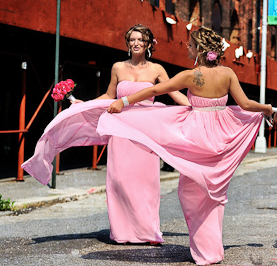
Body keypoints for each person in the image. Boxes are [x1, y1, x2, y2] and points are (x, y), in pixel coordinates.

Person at [98, 27, 273, 265]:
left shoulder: (190, 76)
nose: (187, 49)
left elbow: (155, 90)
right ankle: (212, 249)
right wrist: (268, 109)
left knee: (190, 193)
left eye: (190, 46)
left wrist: (124, 101)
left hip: (196, 139)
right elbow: (246, 104)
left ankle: (204, 249)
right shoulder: (228, 74)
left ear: (200, 51)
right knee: (214, 194)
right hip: (220, 139)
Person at [22, 24, 189, 245]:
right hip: (119, 129)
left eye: (140, 39)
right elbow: (110, 95)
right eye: (132, 40)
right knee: (119, 179)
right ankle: (123, 232)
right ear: (128, 43)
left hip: (146, 132)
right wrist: (86, 103)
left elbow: (174, 92)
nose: (136, 43)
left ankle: (148, 232)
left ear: (148, 44)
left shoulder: (157, 70)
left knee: (147, 182)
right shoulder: (118, 67)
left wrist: (199, 109)